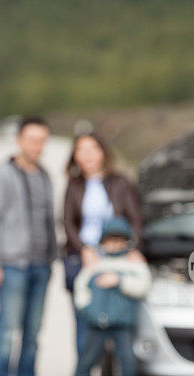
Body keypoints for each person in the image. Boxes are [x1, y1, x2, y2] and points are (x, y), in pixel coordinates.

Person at [0, 116, 57, 376]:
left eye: (41, 141)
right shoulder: (3, 174)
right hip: (12, 265)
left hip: (42, 263)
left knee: (33, 333)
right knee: (8, 331)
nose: (37, 146)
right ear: (19, 140)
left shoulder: (44, 175)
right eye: (31, 139)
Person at [62, 133, 143, 360]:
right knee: (84, 324)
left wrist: (133, 249)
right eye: (81, 149)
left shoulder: (120, 182)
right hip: (84, 260)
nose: (87, 155)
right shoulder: (74, 185)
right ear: (75, 156)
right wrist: (84, 249)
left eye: (93, 148)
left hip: (116, 260)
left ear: (103, 152)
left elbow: (135, 220)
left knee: (118, 323)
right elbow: (67, 222)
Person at [69, 217, 151, 376]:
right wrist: (87, 308)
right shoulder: (96, 263)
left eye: (119, 241)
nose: (114, 245)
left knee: (127, 358)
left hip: (122, 321)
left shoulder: (133, 263)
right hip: (96, 321)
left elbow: (143, 285)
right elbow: (81, 287)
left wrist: (120, 281)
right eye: (110, 241)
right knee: (87, 358)